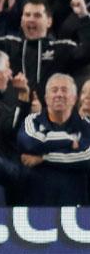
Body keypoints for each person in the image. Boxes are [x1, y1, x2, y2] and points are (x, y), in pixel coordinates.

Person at [18, 73, 90, 206]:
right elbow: (31, 144)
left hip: (76, 208)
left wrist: (44, 158)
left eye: (64, 90)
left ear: (74, 98)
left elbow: (87, 157)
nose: (59, 94)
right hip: (36, 206)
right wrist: (68, 141)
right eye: (54, 90)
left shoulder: (86, 125)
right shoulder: (32, 120)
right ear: (46, 98)